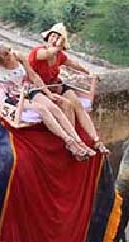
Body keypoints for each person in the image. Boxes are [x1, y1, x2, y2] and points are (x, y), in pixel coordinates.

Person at [0, 33, 95, 159]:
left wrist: (48, 93)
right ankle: (68, 141)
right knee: (42, 109)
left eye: (9, 50)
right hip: (14, 96)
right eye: (5, 54)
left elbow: (33, 76)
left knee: (54, 108)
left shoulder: (18, 57)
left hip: (29, 90)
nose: (9, 54)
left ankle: (78, 141)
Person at [28, 23, 105, 152]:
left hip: (56, 85)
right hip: (39, 88)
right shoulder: (38, 52)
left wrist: (88, 71)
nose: (54, 39)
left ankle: (96, 140)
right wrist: (59, 44)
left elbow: (72, 64)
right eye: (52, 36)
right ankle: (73, 142)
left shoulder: (60, 56)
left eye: (58, 37)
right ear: (47, 38)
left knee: (77, 104)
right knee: (67, 105)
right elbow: (48, 53)